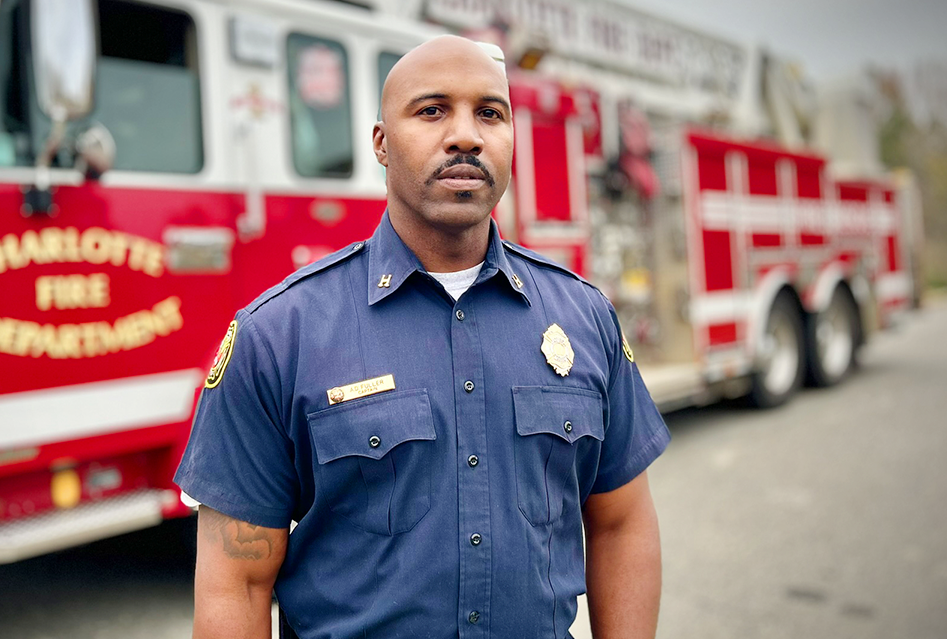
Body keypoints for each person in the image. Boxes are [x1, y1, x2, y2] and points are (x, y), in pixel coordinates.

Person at [175, 35, 670, 639]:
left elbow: (621, 524)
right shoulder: (279, 335)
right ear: (381, 143)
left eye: (490, 112)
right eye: (432, 110)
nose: (466, 135)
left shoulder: (584, 316)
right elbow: (236, 583)